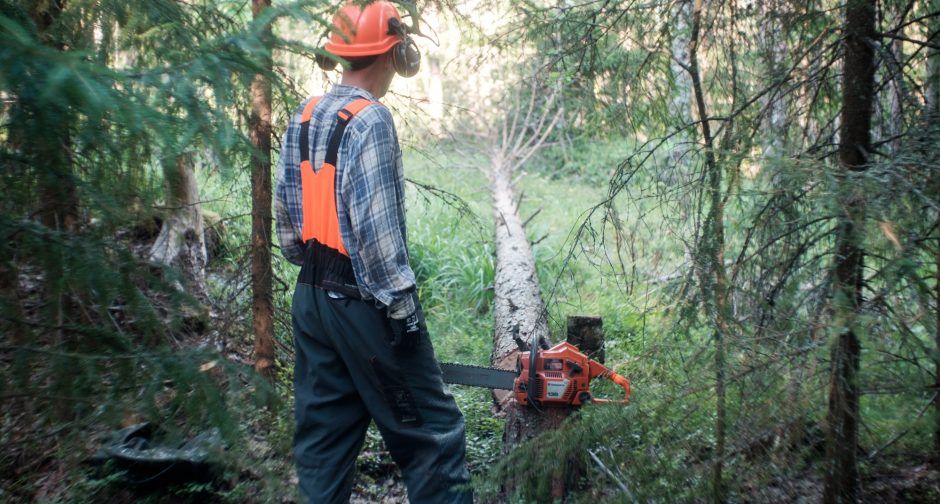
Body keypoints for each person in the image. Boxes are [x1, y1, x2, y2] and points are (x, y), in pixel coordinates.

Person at [273, 2, 472, 503]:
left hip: (313, 300)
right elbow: (378, 235)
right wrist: (401, 311)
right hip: (366, 305)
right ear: (392, 53)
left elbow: (288, 222)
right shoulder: (371, 121)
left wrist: (320, 276)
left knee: (324, 444)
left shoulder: (305, 113)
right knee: (434, 440)